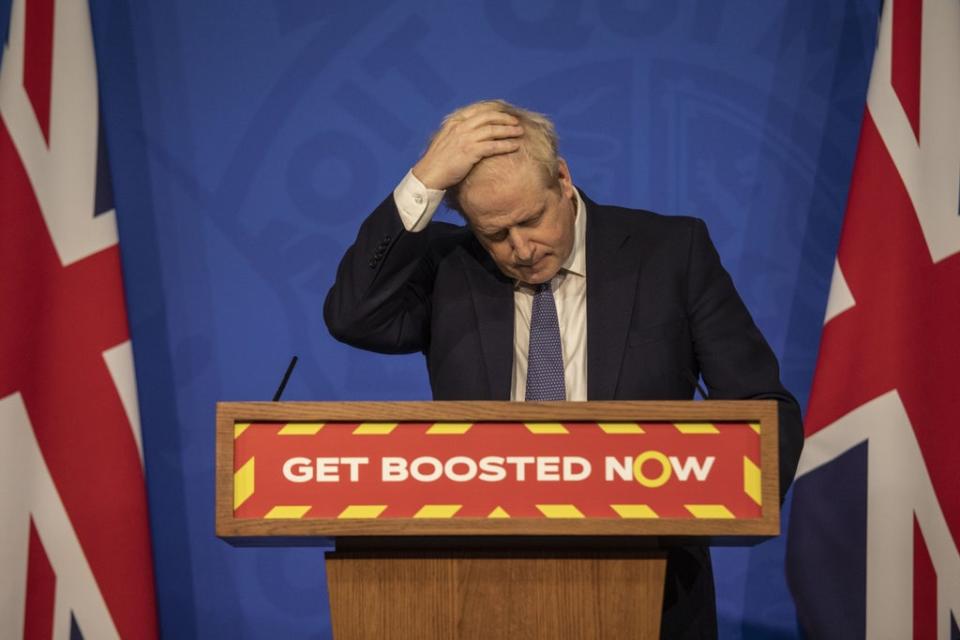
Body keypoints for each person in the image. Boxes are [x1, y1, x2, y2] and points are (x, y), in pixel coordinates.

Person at [324, 99, 803, 639]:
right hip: (472, 588)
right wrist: (425, 180)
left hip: (651, 588)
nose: (521, 249)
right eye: (495, 234)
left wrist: (725, 500)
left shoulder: (669, 251)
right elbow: (353, 316)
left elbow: (761, 405)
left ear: (562, 178)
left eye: (531, 219)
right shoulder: (448, 267)